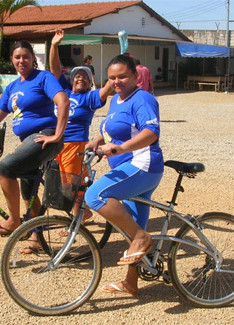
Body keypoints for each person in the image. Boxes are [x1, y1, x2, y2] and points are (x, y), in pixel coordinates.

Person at [84, 54, 164, 296]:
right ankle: (131, 282)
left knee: (94, 196)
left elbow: (151, 132)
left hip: (143, 165)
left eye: (122, 76)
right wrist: (99, 140)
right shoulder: (118, 100)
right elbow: (118, 129)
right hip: (130, 168)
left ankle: (142, 237)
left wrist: (120, 148)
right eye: (112, 78)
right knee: (132, 225)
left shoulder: (142, 99)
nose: (117, 81)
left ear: (135, 76)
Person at [0, 40, 70, 238]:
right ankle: (37, 239)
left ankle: (13, 221)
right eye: (17, 57)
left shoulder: (43, 77)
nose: (22, 60)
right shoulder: (12, 87)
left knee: (5, 169)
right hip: (28, 141)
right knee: (28, 193)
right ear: (12, 59)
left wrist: (57, 134)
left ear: (33, 59)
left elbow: (63, 102)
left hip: (44, 137)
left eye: (26, 56)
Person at [50, 29, 113, 224]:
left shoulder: (89, 98)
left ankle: (75, 220)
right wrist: (54, 45)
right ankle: (81, 214)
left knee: (72, 185)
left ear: (89, 82)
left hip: (75, 143)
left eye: (85, 77)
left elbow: (107, 89)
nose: (80, 79)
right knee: (63, 184)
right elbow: (54, 70)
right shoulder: (64, 92)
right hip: (57, 143)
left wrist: (118, 71)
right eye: (77, 76)